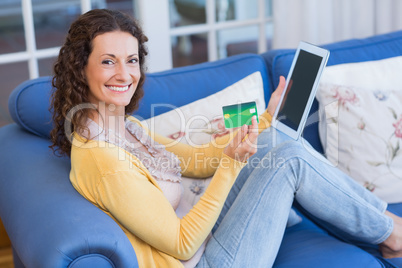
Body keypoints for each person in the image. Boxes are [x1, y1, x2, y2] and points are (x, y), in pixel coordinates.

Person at [50, 9, 402, 268]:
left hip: (206, 236)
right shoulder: (105, 159)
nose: (125, 74)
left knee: (277, 136)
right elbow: (183, 244)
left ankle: (385, 226)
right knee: (289, 158)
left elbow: (194, 160)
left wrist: (265, 119)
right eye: (108, 62)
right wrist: (232, 163)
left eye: (131, 60)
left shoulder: (122, 124)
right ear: (81, 67)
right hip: (205, 261)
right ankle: (391, 233)